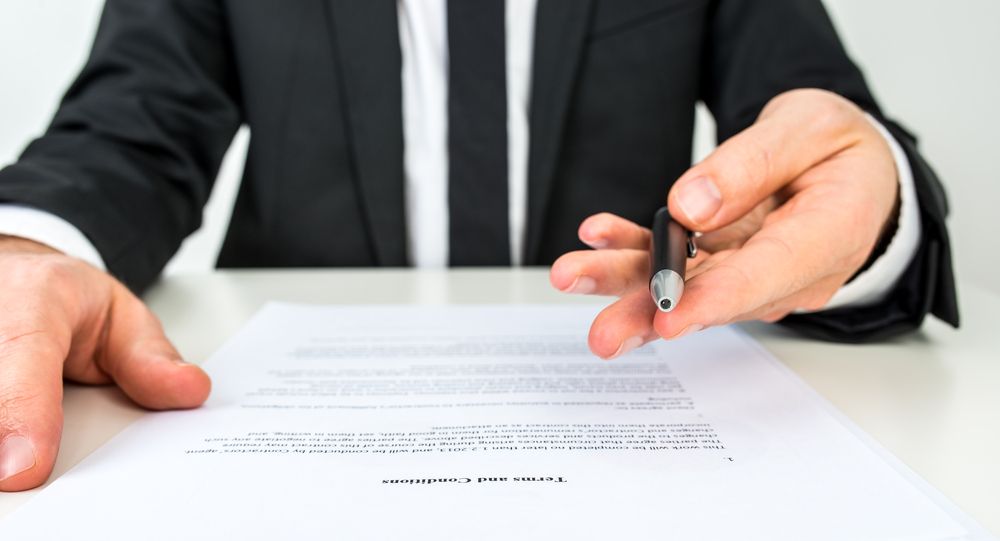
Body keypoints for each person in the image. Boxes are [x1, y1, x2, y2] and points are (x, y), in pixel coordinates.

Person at [0, 0, 958, 492]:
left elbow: (815, 137)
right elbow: (130, 129)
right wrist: (24, 255)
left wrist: (867, 206)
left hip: (629, 435)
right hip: (286, 431)